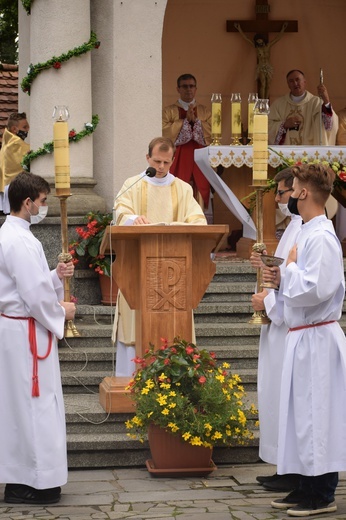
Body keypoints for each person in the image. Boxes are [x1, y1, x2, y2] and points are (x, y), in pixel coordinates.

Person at [262, 163, 346, 516]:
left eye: (293, 187)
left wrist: (288, 271)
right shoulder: (308, 232)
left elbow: (316, 288)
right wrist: (279, 278)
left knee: (318, 415)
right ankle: (303, 484)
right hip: (302, 337)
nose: (290, 194)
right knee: (302, 415)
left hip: (317, 339)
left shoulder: (322, 237)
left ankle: (322, 492)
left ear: (303, 193)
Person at [0, 172, 76, 504]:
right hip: (22, 332)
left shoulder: (18, 235)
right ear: (27, 202)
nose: (45, 207)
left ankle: (34, 477)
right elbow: (31, 295)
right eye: (43, 201)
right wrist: (62, 312)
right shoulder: (16, 240)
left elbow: (28, 285)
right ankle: (27, 480)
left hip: (22, 328)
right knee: (32, 407)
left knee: (29, 406)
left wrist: (55, 277)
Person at [112, 136, 207, 376]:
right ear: (147, 158)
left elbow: (198, 221)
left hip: (174, 274)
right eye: (157, 161)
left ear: (173, 160)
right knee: (135, 324)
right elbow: (120, 212)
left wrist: (176, 226)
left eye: (166, 162)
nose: (161, 167)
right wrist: (134, 219)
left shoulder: (183, 189)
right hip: (138, 271)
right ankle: (130, 381)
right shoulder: (133, 184)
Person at [250, 168, 302, 493]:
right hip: (278, 321)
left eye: (281, 195)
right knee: (273, 394)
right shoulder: (294, 227)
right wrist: (265, 266)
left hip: (289, 326)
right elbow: (283, 269)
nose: (280, 201)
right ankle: (283, 465)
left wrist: (267, 303)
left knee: (285, 398)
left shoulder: (308, 230)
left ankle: (293, 471)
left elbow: (297, 281)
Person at [162, 74, 211, 209]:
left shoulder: (204, 111)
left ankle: (200, 222)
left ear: (196, 89)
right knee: (177, 189)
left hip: (200, 158)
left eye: (191, 86)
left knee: (200, 188)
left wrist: (197, 123)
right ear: (178, 89)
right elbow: (165, 131)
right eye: (184, 86)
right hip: (178, 158)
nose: (188, 89)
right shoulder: (168, 111)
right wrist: (184, 122)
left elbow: (212, 132)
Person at [268, 70, 338, 146]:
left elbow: (329, 126)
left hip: (311, 152)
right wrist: (284, 124)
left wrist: (326, 101)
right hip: (286, 153)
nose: (295, 83)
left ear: (304, 82)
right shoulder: (278, 104)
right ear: (288, 84)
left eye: (297, 79)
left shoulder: (316, 102)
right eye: (291, 81)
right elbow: (268, 126)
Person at [234, 22, 288, 100]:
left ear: (263, 40)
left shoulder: (268, 46)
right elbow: (246, 38)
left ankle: (266, 100)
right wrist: (239, 29)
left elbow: (277, 38)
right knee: (263, 84)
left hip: (268, 67)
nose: (259, 42)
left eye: (260, 40)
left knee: (268, 85)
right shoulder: (257, 48)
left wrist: (283, 29)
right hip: (261, 67)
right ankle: (262, 100)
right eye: (258, 41)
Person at [0, 112, 30, 214]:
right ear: (14, 129)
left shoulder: (6, 143)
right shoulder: (16, 144)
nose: (27, 130)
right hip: (16, 189)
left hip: (6, 187)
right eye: (25, 127)